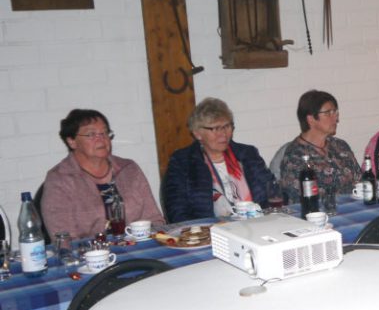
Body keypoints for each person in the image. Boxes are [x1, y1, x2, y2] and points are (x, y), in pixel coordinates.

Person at [41, 109, 163, 239]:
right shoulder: (60, 179)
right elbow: (62, 237)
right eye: (91, 134)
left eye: (104, 132)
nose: (101, 139)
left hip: (138, 249)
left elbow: (154, 220)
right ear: (72, 141)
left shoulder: (129, 169)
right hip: (91, 255)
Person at [163, 98, 274, 223]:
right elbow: (176, 212)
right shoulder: (182, 162)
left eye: (227, 126)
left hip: (256, 226)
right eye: (215, 129)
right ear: (197, 133)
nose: (223, 134)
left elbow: (272, 193)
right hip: (208, 234)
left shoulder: (248, 155)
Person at [278, 90, 360, 204]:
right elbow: (299, 199)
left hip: (354, 207)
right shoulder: (295, 155)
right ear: (311, 119)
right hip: (317, 215)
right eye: (328, 113)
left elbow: (359, 180)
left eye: (335, 112)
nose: (335, 118)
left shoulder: (341, 146)